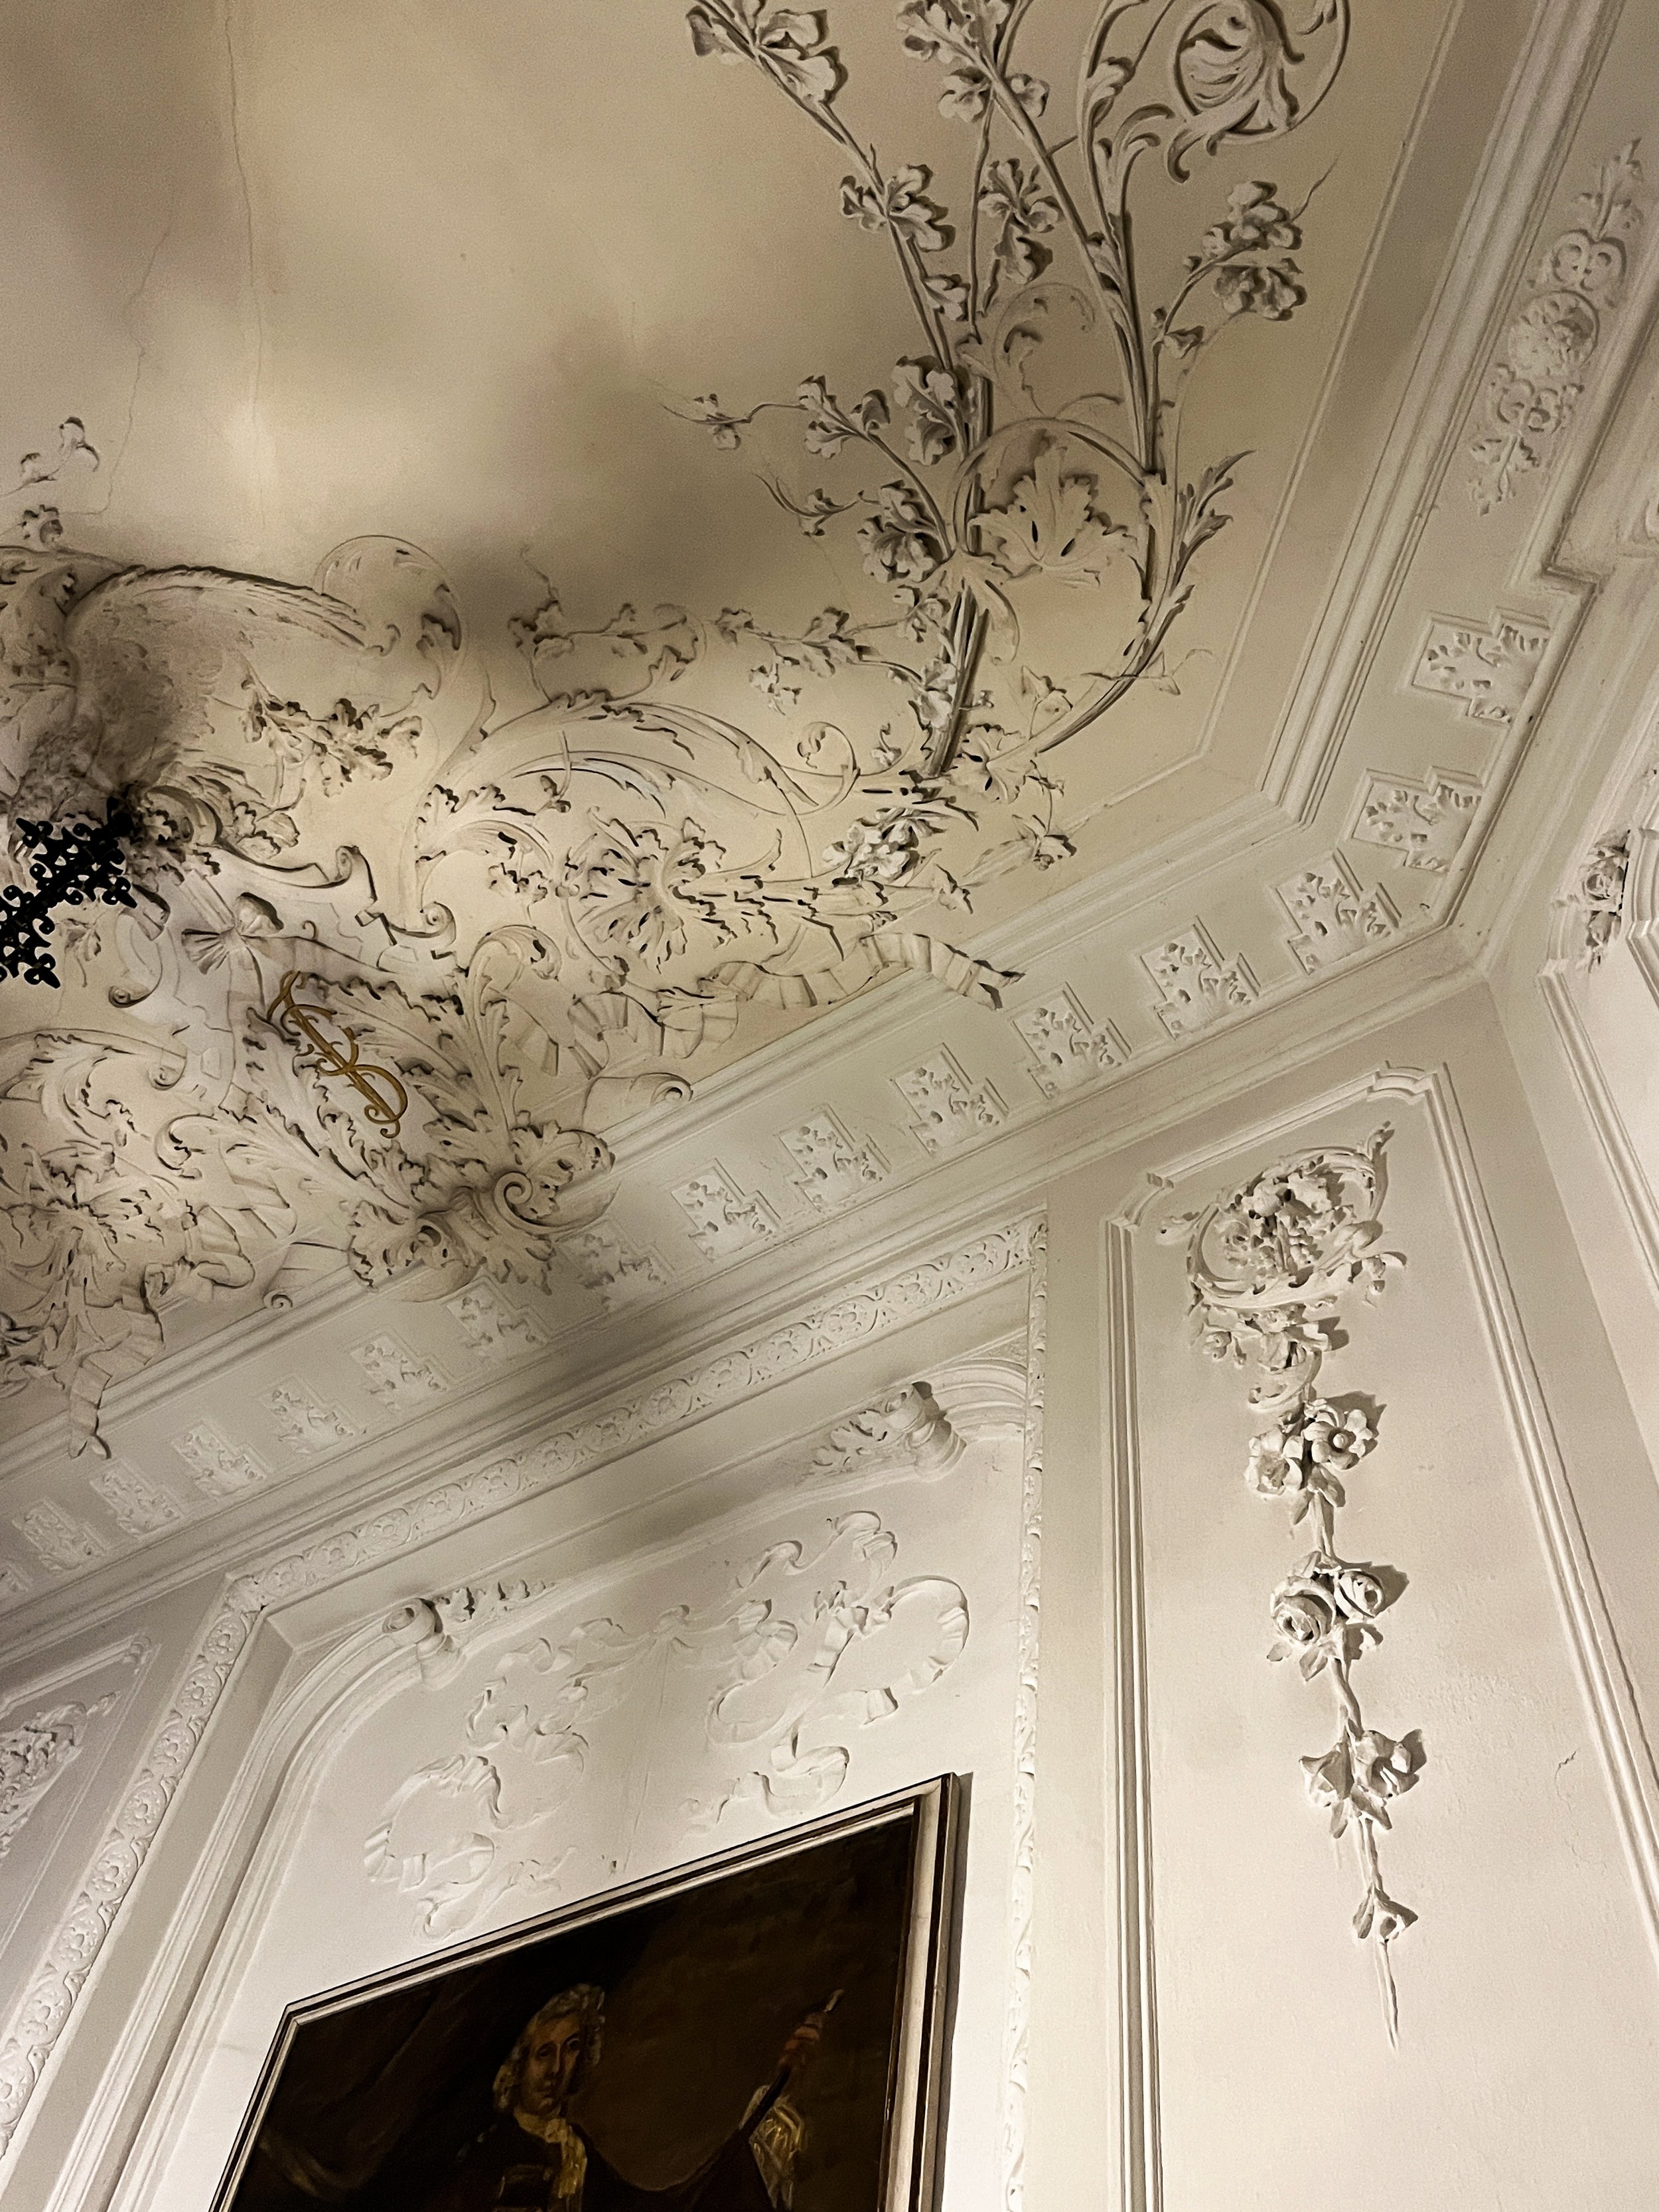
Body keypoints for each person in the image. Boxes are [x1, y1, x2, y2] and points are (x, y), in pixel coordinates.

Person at [415, 1981, 828, 2211]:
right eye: (544, 2054)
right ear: (516, 2065)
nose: (558, 2070)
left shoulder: (579, 2153)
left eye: (572, 2047)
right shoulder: (483, 2161)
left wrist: (767, 2110)